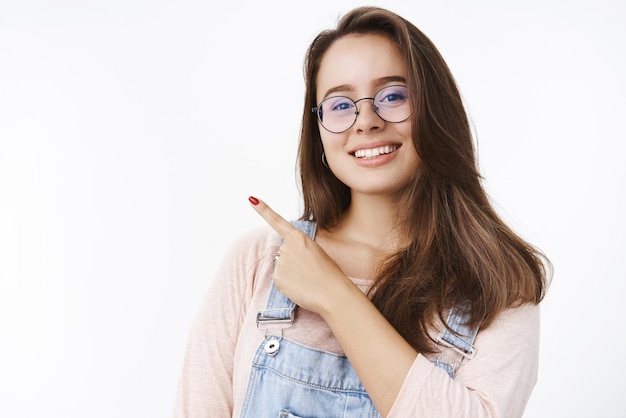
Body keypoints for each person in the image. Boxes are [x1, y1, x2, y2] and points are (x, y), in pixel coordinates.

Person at [173, 6, 551, 417]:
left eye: (393, 96)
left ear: (434, 110)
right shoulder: (258, 260)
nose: (366, 120)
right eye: (339, 104)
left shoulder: (498, 284)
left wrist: (335, 296)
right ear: (316, 128)